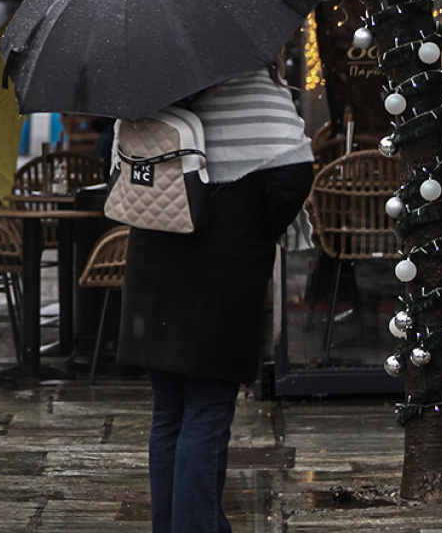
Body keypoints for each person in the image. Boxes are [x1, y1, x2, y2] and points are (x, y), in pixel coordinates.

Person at [116, 62, 315, 533]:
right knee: (207, 409)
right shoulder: (251, 81)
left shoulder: (142, 88)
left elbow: (124, 176)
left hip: (155, 258)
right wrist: (253, 225)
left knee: (170, 411)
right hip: (223, 263)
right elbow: (293, 172)